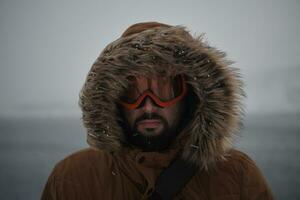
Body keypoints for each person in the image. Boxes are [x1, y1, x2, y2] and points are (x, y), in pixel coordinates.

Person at [41, 22, 274, 200]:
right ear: (112, 100)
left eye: (165, 90)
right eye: (133, 92)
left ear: (191, 96)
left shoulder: (237, 175)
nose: (149, 105)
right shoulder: (72, 178)